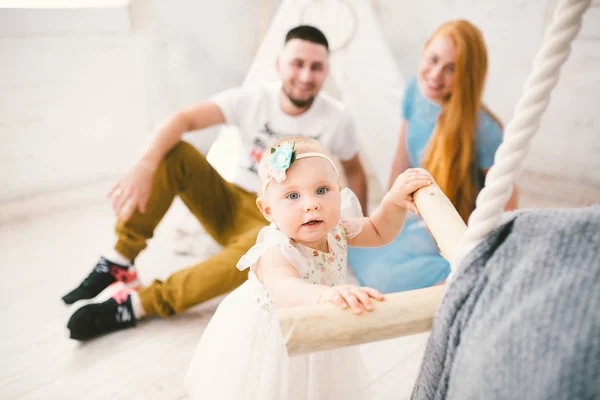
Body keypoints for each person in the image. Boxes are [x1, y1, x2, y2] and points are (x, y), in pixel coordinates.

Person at [64, 25, 369, 340]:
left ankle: (137, 304)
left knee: (263, 246)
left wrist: (351, 228)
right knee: (177, 151)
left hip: (281, 221)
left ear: (326, 71)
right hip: (232, 201)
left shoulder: (337, 118)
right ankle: (119, 261)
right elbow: (183, 119)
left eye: (316, 67)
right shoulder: (252, 99)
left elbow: (355, 171)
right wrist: (145, 163)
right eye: (297, 63)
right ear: (279, 64)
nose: (306, 76)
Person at [185, 136, 434, 399]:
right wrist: (324, 295)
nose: (311, 203)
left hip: (320, 323)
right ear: (268, 210)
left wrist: (392, 203)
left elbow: (378, 230)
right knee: (281, 388)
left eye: (322, 190)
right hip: (278, 337)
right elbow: (285, 288)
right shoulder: (276, 250)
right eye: (293, 195)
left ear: (339, 190)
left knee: (322, 385)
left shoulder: (337, 229)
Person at [348, 20, 518, 293]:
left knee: (383, 277)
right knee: (355, 247)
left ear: (467, 75)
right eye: (434, 59)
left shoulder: (484, 129)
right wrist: (391, 209)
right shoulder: (415, 90)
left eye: (452, 68)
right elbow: (402, 154)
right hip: (422, 216)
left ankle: (464, 274)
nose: (436, 75)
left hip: (457, 228)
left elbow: (507, 200)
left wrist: (481, 246)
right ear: (425, 51)